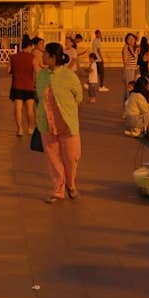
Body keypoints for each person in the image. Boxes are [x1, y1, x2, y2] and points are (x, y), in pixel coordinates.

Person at [35, 41, 84, 203]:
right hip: (47, 124)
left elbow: (79, 96)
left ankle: (70, 184)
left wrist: (66, 107)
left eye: (45, 54)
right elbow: (39, 95)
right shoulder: (42, 75)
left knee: (72, 157)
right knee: (53, 158)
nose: (42, 55)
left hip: (67, 124)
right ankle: (58, 189)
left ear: (53, 57)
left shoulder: (69, 75)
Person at [9, 36, 37, 137]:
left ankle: (20, 129)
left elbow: (10, 71)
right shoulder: (33, 58)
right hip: (29, 86)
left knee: (18, 108)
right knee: (30, 109)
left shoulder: (14, 57)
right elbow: (37, 72)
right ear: (29, 46)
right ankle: (30, 128)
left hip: (17, 85)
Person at [120, 33, 139, 97]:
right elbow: (125, 61)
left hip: (134, 70)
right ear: (126, 40)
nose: (131, 40)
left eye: (132, 39)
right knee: (129, 87)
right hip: (128, 70)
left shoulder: (135, 48)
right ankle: (128, 102)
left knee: (133, 87)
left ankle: (130, 102)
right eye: (129, 39)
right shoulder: (126, 48)